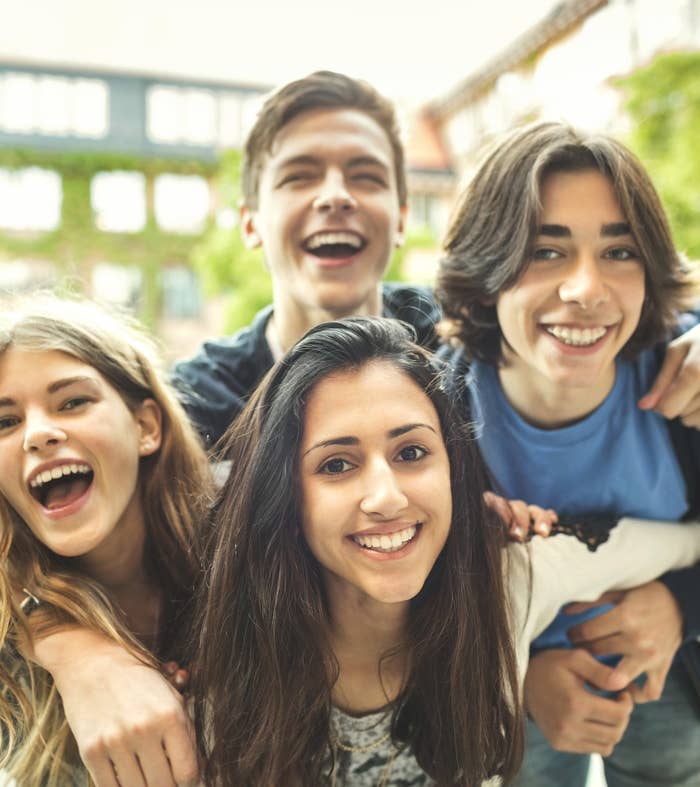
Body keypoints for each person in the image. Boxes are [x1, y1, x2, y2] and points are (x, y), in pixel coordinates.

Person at [191, 317, 700, 786]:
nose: (387, 497)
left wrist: (677, 602)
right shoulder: (210, 656)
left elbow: (688, 546)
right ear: (284, 496)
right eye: (337, 465)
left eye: (411, 453)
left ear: (454, 469)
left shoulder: (515, 575)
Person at [436, 121, 700, 786]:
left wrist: (680, 603)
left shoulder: (688, 378)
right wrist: (523, 676)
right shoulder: (433, 414)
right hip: (509, 685)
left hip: (671, 665)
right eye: (545, 251)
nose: (586, 289)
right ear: (488, 272)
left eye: (620, 252)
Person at [0, 295, 211, 786]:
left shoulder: (253, 551)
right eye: (6, 421)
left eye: (73, 402)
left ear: (145, 427)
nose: (38, 433)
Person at [171, 69, 438, 447]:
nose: (335, 195)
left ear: (401, 220)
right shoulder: (196, 406)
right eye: (299, 176)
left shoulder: (461, 347)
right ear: (251, 224)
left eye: (366, 176)